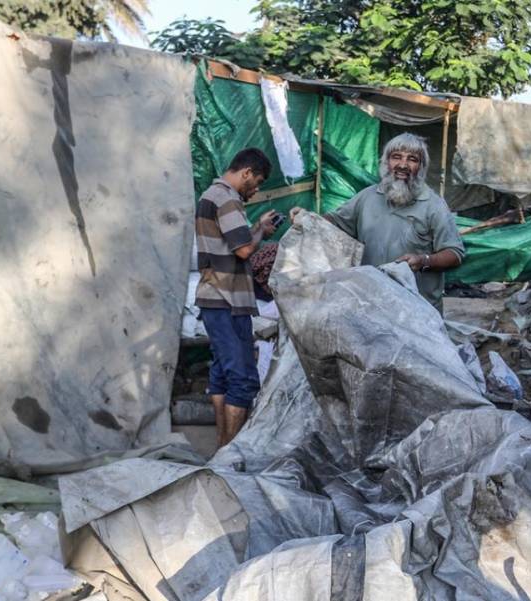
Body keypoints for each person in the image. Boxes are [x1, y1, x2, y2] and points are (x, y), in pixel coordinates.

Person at [291, 133, 465, 313]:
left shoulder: (433, 206)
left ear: (421, 167)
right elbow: (336, 221)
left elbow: (455, 253)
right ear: (386, 162)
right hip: (371, 304)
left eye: (412, 159)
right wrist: (309, 218)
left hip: (418, 310)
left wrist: (423, 260)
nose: (403, 165)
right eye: (396, 157)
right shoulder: (367, 197)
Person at [195, 148, 278, 447]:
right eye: (256, 182)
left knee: (221, 373)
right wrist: (261, 233)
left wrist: (256, 229)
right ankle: (230, 453)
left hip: (213, 297)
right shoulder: (228, 198)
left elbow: (231, 244)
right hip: (227, 298)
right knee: (242, 378)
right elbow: (243, 250)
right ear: (246, 173)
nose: (255, 190)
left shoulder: (210, 195)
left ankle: (221, 447)